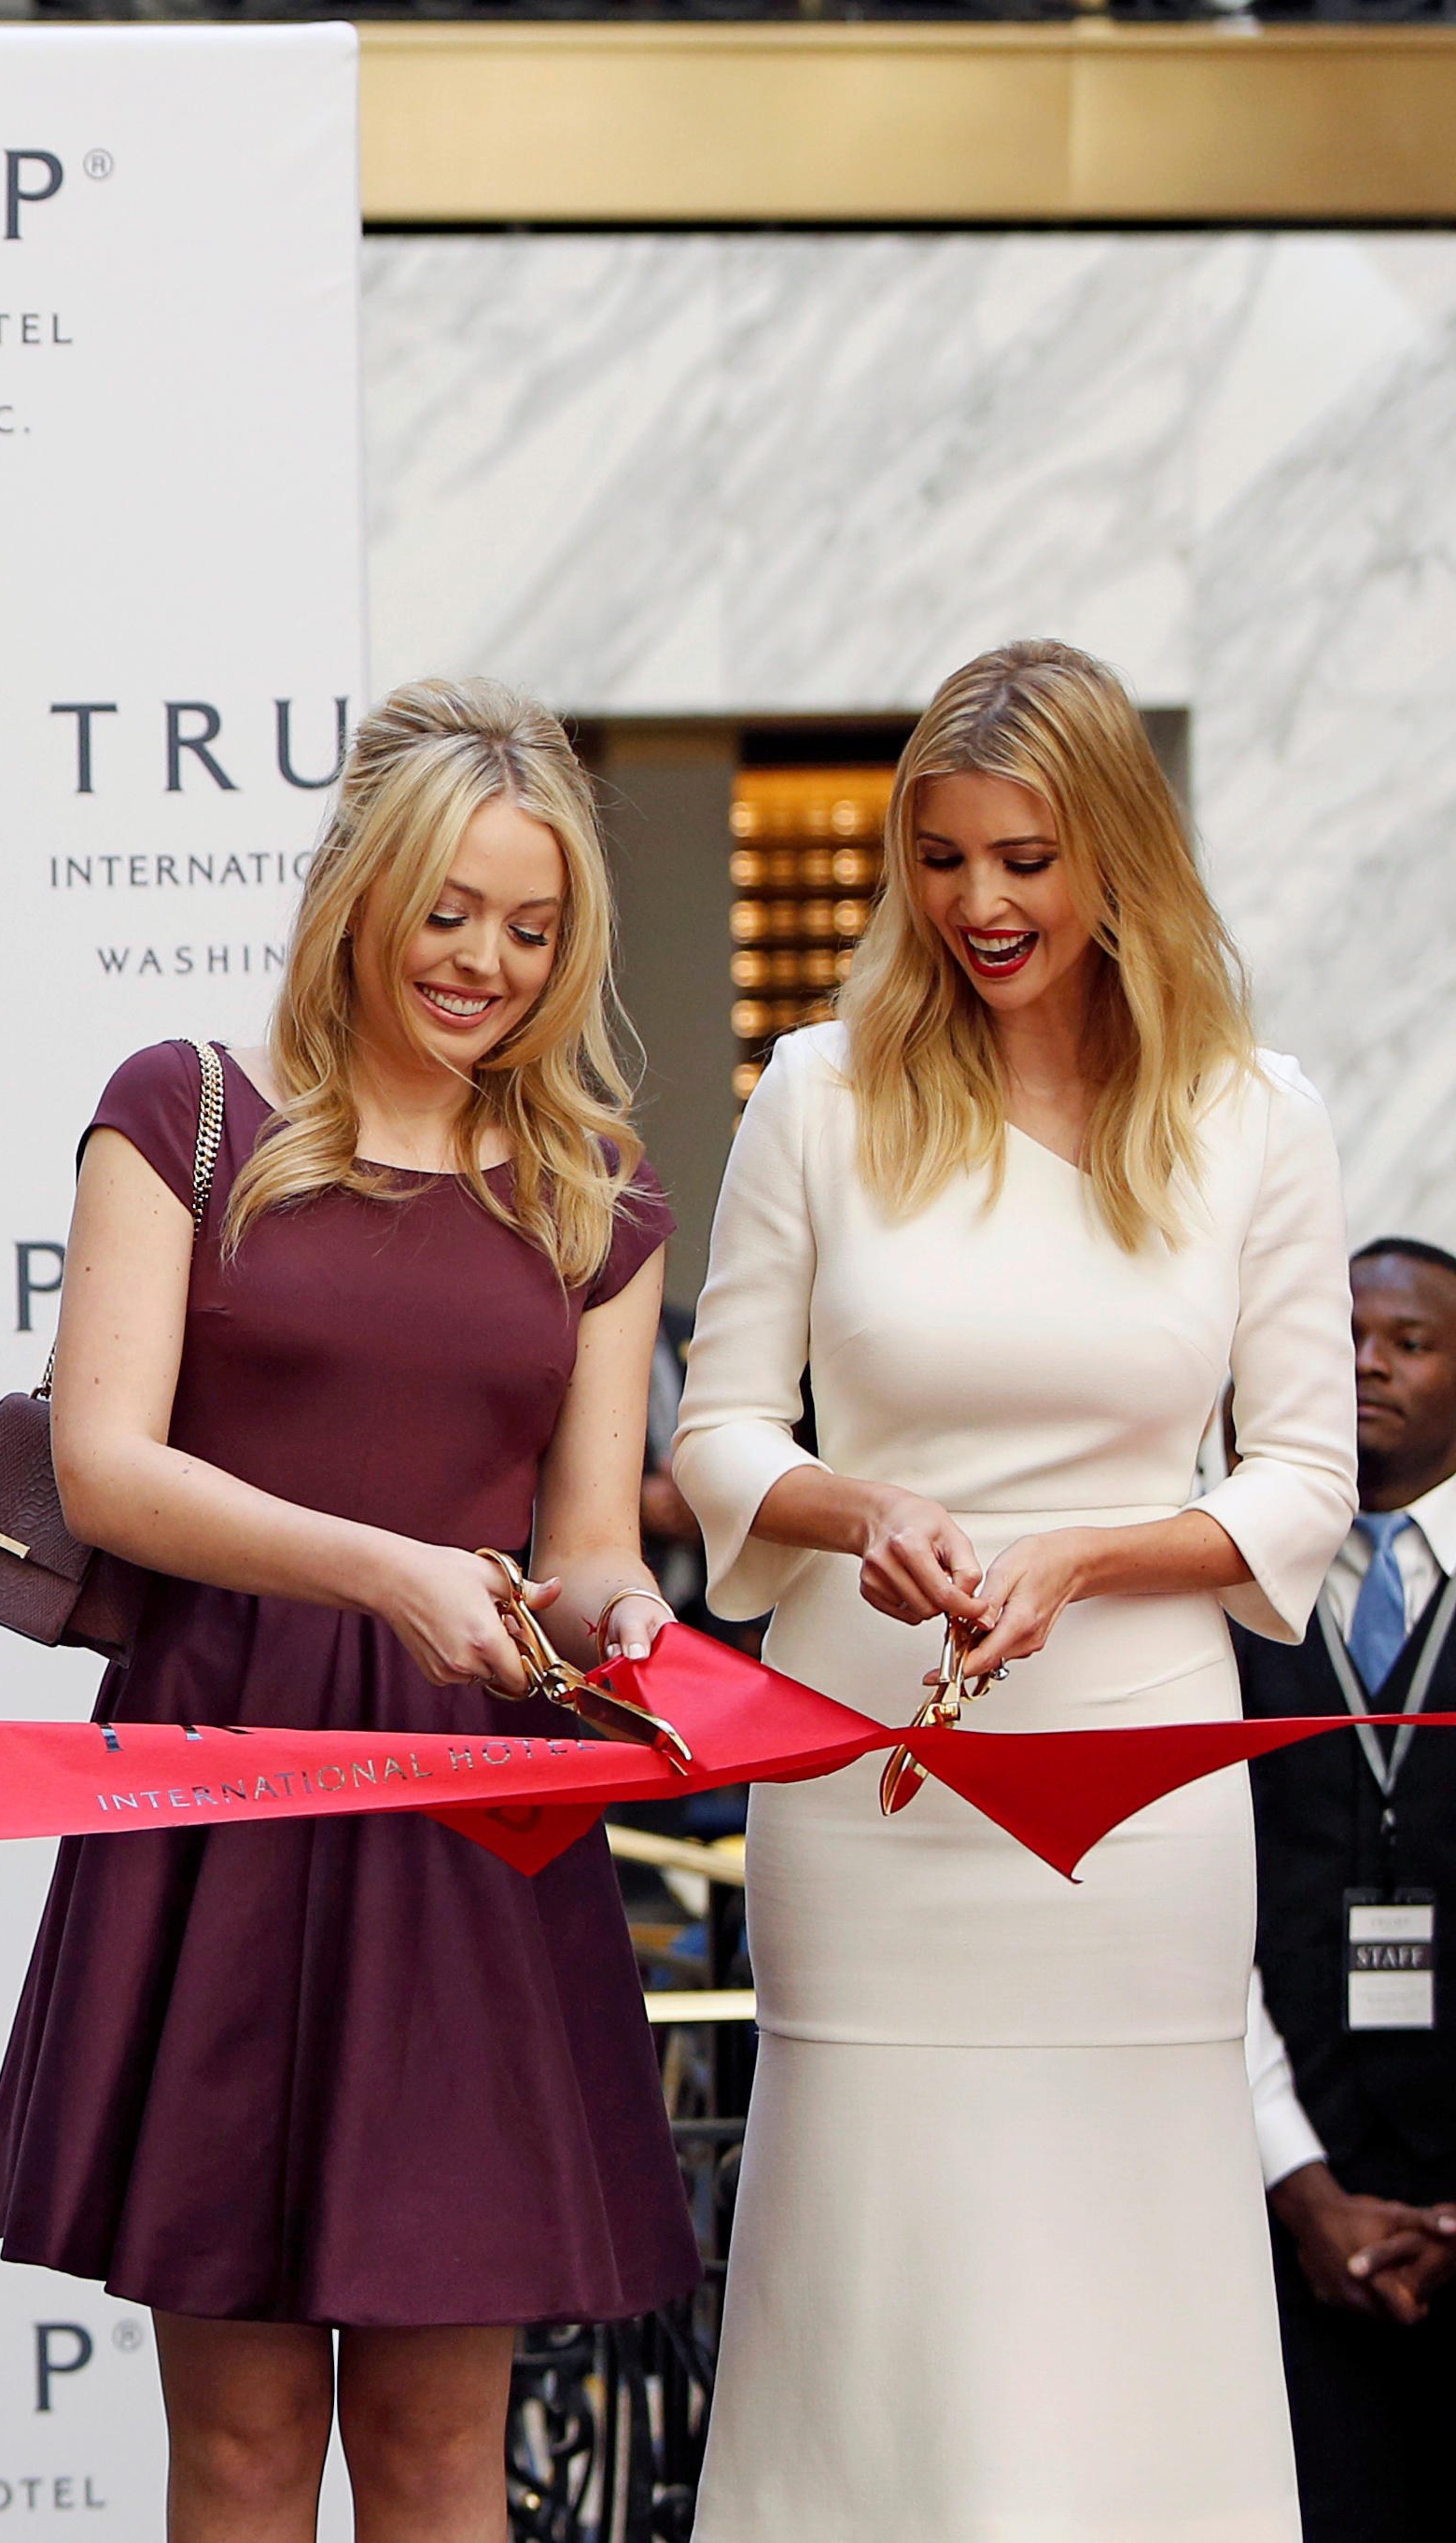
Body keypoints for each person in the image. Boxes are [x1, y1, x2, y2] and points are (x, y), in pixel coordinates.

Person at [0, 679, 693, 2543]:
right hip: (226, 1785)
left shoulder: (598, 1197)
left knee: (448, 2447)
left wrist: (629, 1636)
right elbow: (113, 1467)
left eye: (531, 931)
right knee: (239, 2440)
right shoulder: (187, 1113)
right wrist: (382, 1567)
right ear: (360, 888)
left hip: (471, 1820)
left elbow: (595, 1540)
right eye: (449, 910)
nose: (485, 964)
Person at [671, 639, 1352, 2543]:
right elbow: (718, 1435)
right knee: (880, 2280)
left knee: (1130, 2280)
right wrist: (856, 1505)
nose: (979, 904)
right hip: (872, 1791)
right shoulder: (818, 1095)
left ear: (1118, 858)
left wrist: (1090, 1555)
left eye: (1027, 859)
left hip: (1135, 1799)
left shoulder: (1253, 1113)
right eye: (944, 859)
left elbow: (1307, 1476)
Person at [1239, 1235, 1456, 2540]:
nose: (1365, 1363)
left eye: (1410, 1342)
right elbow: (1184, 1911)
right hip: (1271, 2181)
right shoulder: (1227, 1591)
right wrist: (1298, 2186)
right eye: (1342, 1339)